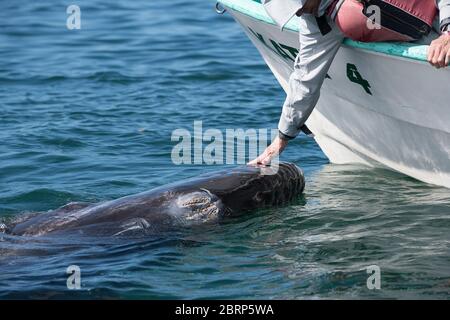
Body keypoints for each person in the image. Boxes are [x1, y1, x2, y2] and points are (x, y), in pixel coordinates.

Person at [249, 0, 450, 165]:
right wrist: (280, 141)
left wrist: (448, 32)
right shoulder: (317, 21)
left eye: (300, 6)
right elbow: (304, 81)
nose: (300, 13)